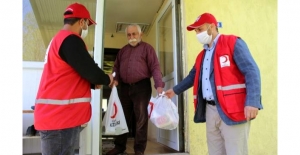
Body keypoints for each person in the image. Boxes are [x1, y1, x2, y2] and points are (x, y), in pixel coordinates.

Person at [165, 12, 263, 155]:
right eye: (196, 31)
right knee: (215, 152)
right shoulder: (202, 55)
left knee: (236, 152)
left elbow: (251, 70)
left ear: (212, 26)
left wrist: (253, 102)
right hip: (210, 110)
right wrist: (174, 91)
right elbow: (192, 77)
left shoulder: (232, 43)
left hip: (233, 108)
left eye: (199, 29)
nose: (197, 34)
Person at [34, 3, 113, 155]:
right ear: (82, 22)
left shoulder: (58, 40)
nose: (86, 29)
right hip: (60, 120)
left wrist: (90, 83)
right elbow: (91, 71)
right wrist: (106, 78)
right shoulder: (71, 40)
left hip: (55, 119)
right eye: (87, 24)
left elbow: (70, 72)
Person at [106, 24, 164, 155]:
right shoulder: (122, 51)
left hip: (142, 87)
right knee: (122, 117)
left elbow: (155, 67)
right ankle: (119, 146)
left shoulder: (147, 49)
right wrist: (115, 79)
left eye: (134, 34)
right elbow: (116, 68)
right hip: (124, 87)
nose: (131, 37)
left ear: (140, 35)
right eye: (129, 34)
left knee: (141, 119)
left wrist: (159, 85)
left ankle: (139, 150)